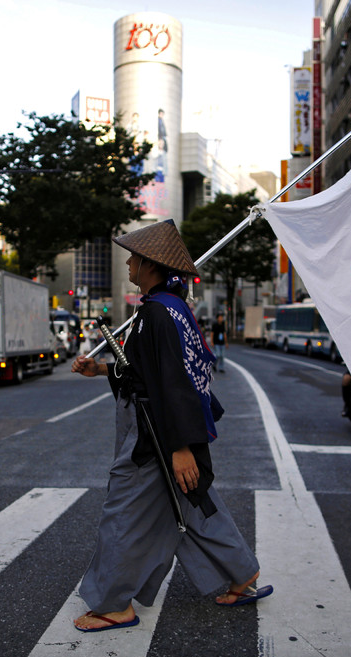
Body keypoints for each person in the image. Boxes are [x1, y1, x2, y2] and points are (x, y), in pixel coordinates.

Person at [70, 219, 271, 633]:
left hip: (154, 435)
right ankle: (241, 573)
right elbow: (147, 373)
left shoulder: (158, 314)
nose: (128, 263)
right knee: (192, 503)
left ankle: (113, 604)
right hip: (163, 428)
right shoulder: (169, 309)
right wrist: (100, 370)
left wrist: (180, 447)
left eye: (133, 257)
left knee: (122, 512)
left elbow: (172, 384)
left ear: (148, 264)